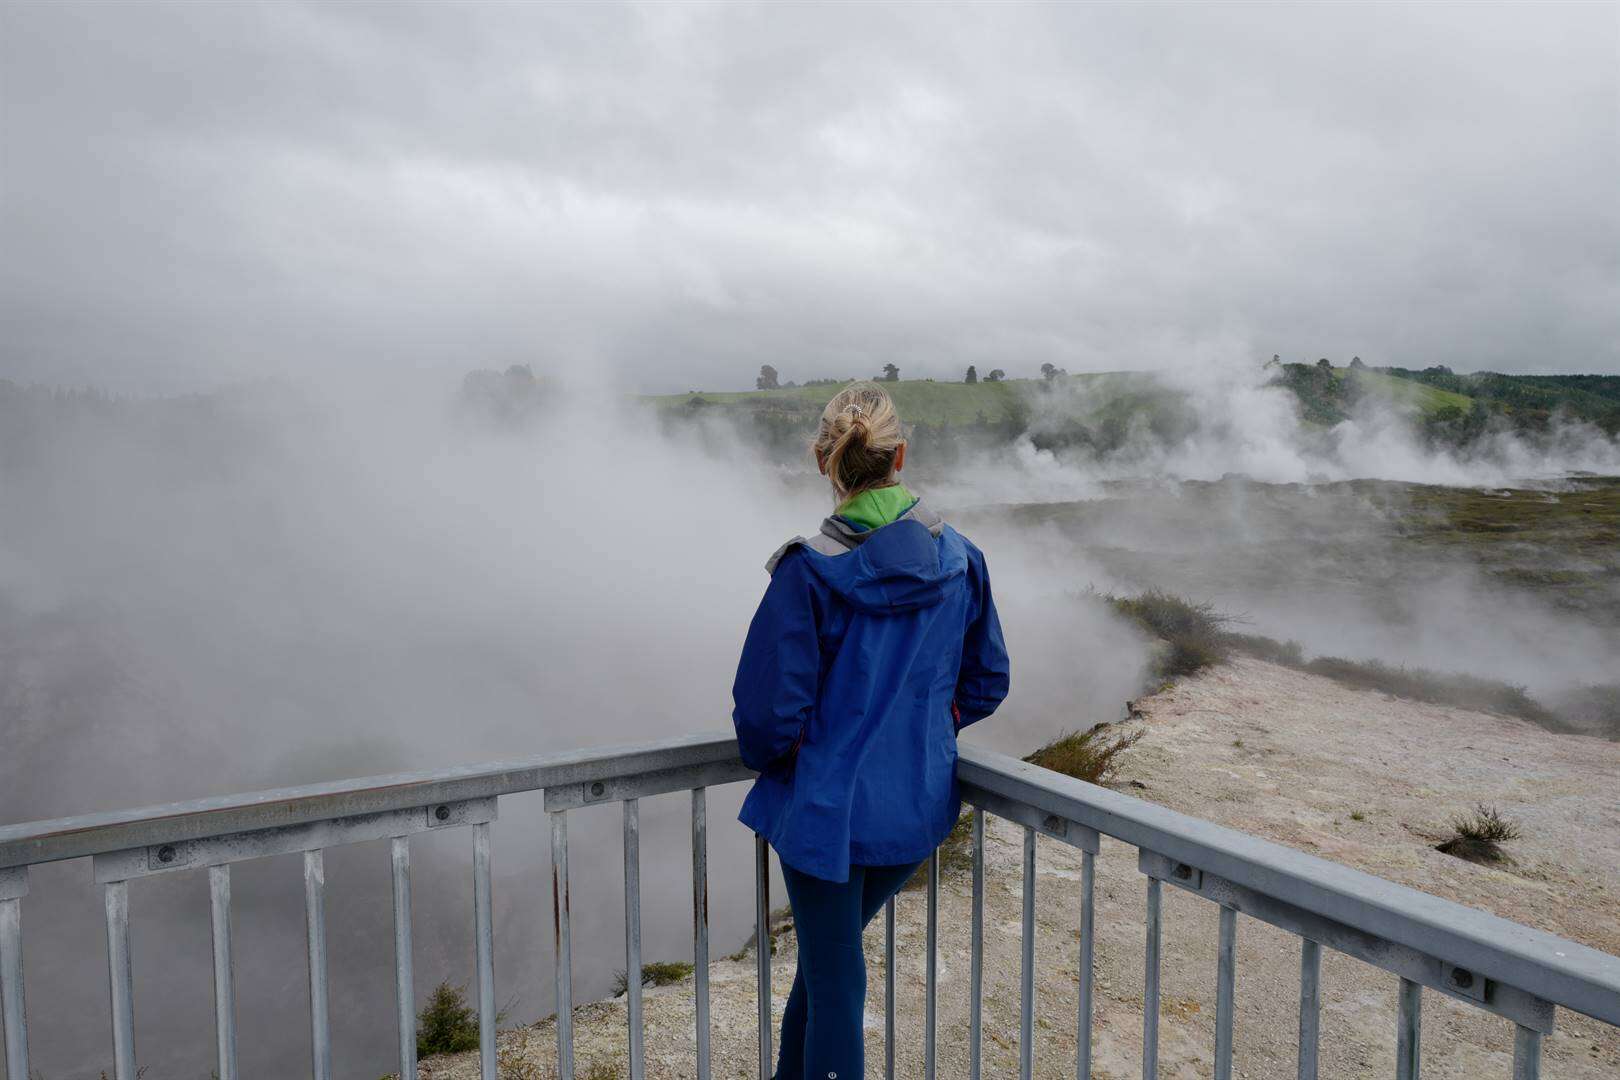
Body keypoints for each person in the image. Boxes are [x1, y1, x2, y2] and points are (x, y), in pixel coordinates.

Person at [732, 381, 1011, 1080]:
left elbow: (767, 719)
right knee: (825, 975)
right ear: (901, 456)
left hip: (826, 820)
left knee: (835, 984)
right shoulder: (961, 559)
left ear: (824, 461)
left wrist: (803, 758)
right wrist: (921, 734)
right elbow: (985, 680)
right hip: (912, 810)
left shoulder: (808, 571)